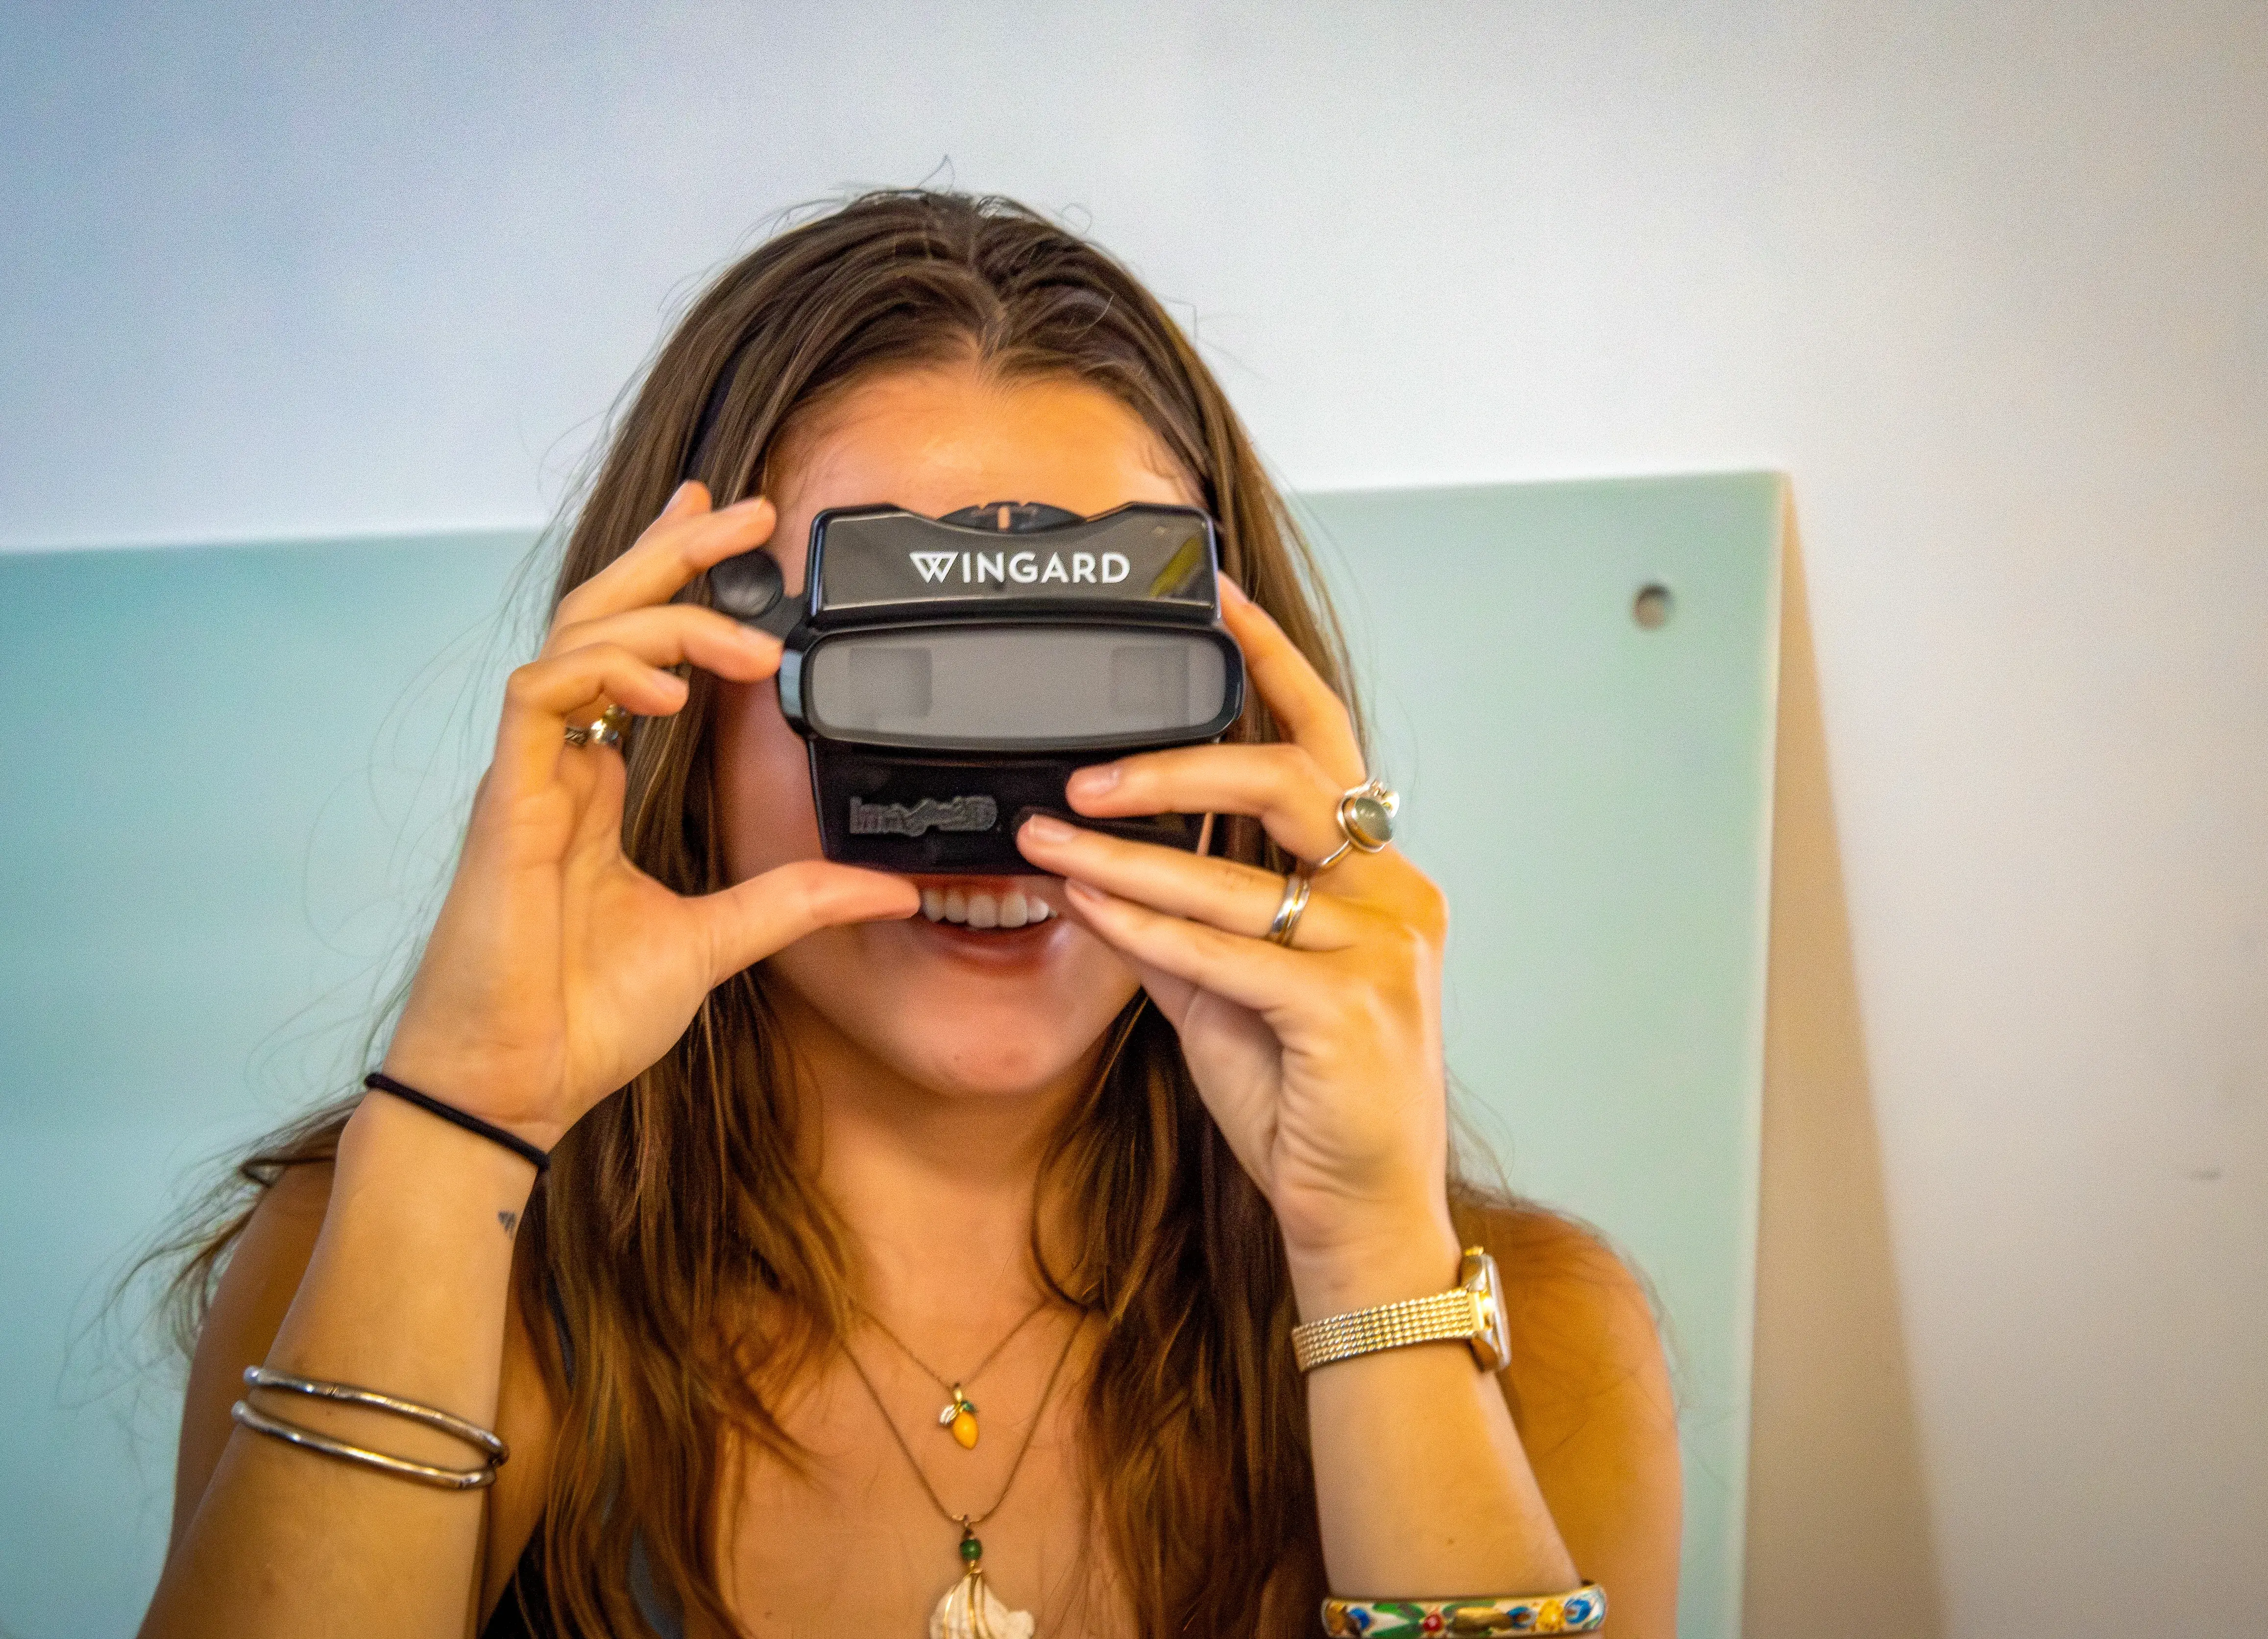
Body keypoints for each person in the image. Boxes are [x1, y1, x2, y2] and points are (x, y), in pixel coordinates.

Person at [140, 190, 1680, 1639]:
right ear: (681, 693)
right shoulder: (411, 1260)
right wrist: (456, 1118)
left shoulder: (1527, 1325)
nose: (1012, 808)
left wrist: (1365, 1255)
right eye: (901, 668)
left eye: (1090, 670)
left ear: (1246, 719)